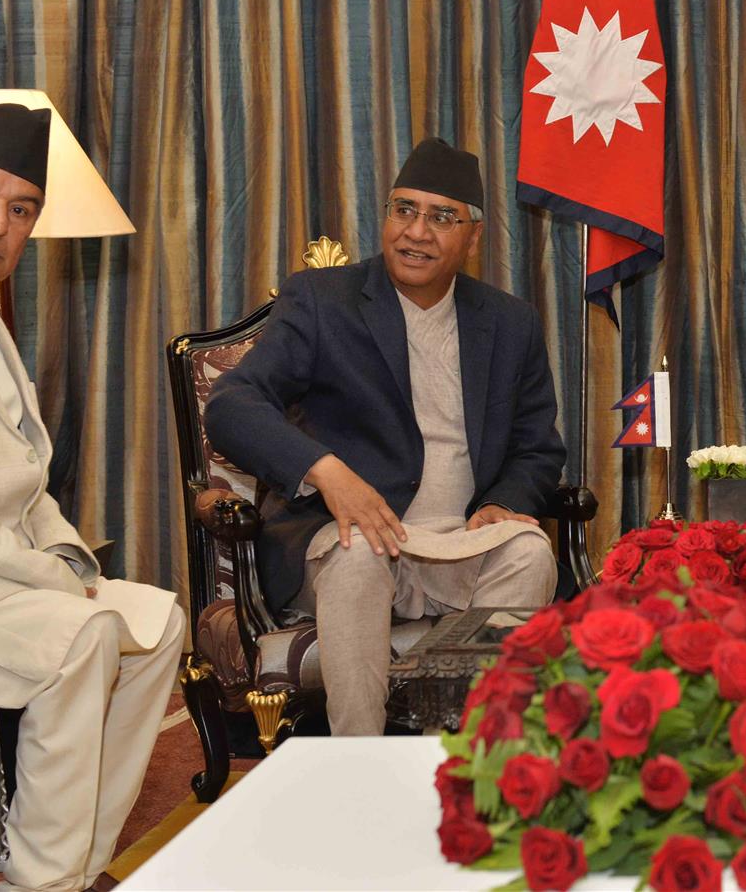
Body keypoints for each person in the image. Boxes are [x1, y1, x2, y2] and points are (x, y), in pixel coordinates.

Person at [205, 137, 565, 736]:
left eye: (441, 217)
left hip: (460, 546)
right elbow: (232, 406)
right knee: (358, 554)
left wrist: (504, 503)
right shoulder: (323, 301)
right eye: (405, 209)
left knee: (528, 553)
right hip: (347, 541)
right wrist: (327, 471)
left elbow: (538, 445)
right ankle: (360, 765)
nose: (417, 232)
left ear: (472, 239)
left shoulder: (509, 322)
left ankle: (456, 755)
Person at [0, 102, 185, 892]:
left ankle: (79, 860)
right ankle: (41, 882)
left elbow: (27, 477)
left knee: (157, 623)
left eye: (20, 209)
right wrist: (54, 579)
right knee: (84, 635)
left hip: (1, 574)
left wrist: (71, 556)